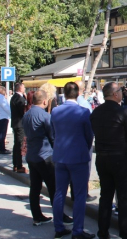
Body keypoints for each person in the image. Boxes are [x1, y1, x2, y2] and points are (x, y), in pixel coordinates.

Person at [90, 82, 127, 239]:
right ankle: (126, 233)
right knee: (124, 199)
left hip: (102, 158)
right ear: (114, 94)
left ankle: (103, 232)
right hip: (120, 158)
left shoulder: (96, 113)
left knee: (105, 196)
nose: (122, 93)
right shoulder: (123, 112)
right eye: (120, 90)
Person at [22, 90, 73, 227]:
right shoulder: (45, 116)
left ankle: (37, 217)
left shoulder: (26, 115)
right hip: (45, 156)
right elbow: (52, 137)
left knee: (35, 187)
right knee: (54, 188)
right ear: (45, 101)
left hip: (32, 156)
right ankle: (60, 216)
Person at [51, 82, 95, 239]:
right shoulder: (83, 112)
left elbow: (53, 132)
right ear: (77, 94)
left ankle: (58, 227)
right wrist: (85, 148)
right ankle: (77, 230)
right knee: (80, 194)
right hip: (78, 156)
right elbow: (89, 135)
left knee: (59, 193)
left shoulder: (55, 111)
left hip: (60, 156)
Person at [10, 82, 27, 173]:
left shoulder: (14, 97)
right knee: (20, 144)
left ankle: (15, 164)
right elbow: (23, 112)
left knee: (16, 144)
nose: (24, 89)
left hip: (15, 124)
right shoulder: (20, 99)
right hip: (20, 124)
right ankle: (19, 165)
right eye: (23, 87)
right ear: (20, 88)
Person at [0, 86, 11, 155]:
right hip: (3, 117)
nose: (5, 91)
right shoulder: (1, 98)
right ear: (2, 91)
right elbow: (6, 108)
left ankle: (1, 147)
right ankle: (2, 149)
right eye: (4, 90)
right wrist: (12, 114)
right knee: (2, 134)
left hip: (0, 117)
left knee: (0, 134)